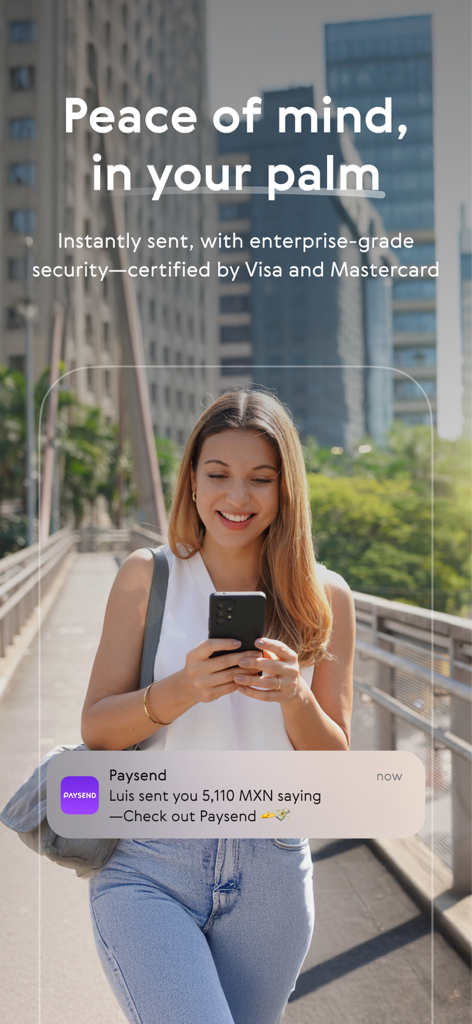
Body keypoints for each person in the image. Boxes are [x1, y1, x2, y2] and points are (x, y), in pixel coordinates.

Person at [81, 388, 355, 1024]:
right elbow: (96, 729)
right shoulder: (145, 577)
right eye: (219, 475)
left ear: (286, 489)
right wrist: (179, 691)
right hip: (150, 861)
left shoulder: (326, 596)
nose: (237, 497)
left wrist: (295, 697)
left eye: (261, 479)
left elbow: (335, 761)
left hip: (273, 868)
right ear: (192, 481)